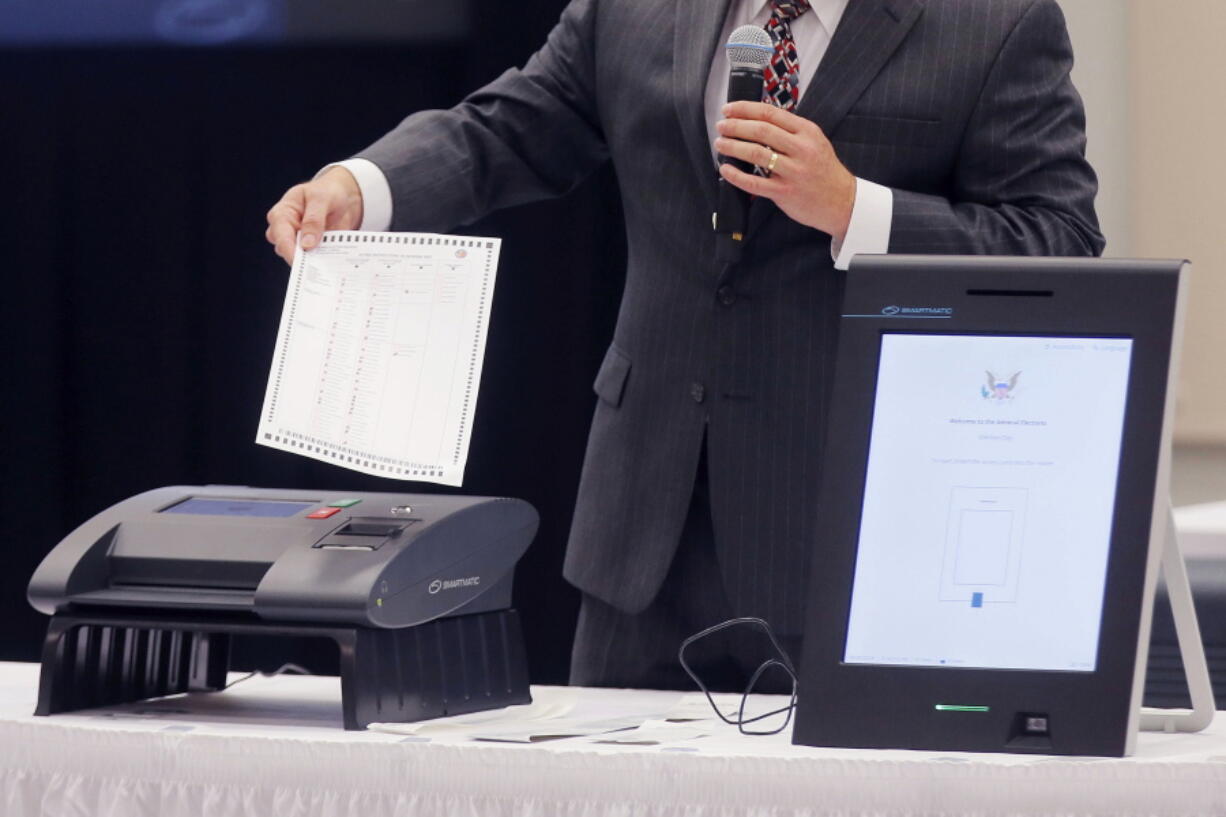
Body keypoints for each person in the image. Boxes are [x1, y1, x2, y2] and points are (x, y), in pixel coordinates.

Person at [266, 0, 1104, 693]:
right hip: (643, 537)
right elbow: (508, 129)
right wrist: (362, 186)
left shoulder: (994, 21)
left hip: (853, 533)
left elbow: (1060, 239)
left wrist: (855, 208)